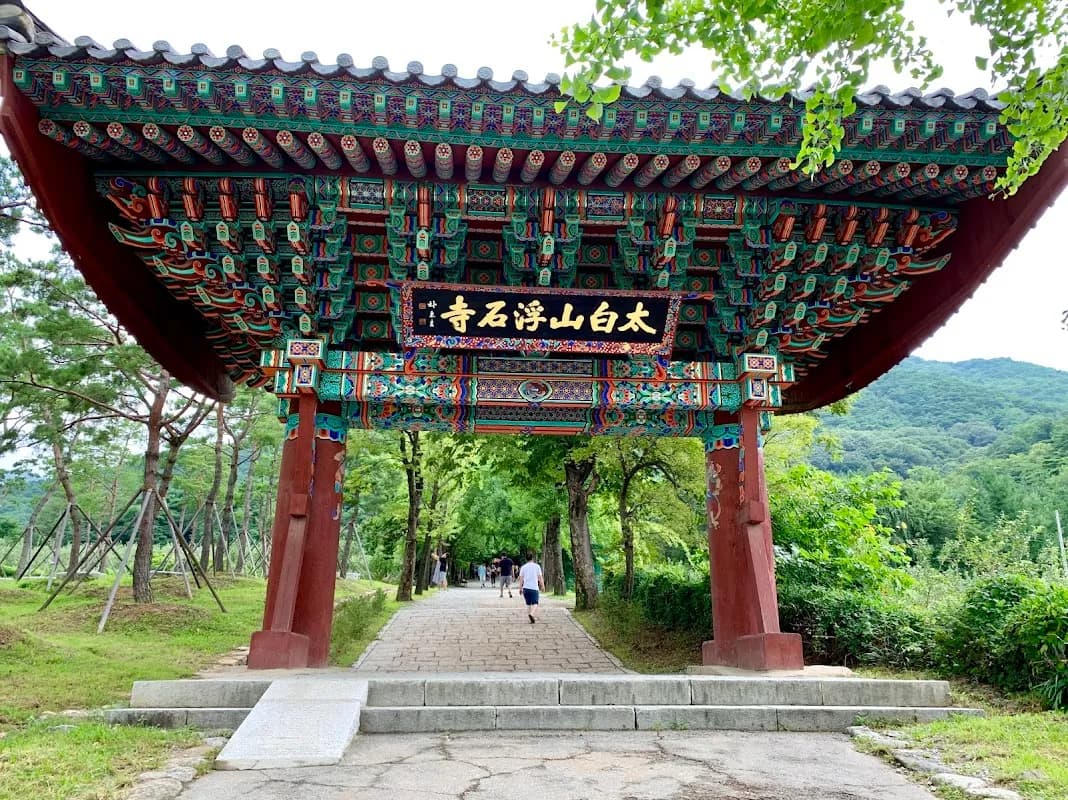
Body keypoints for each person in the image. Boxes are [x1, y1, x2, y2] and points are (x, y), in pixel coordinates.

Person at [518, 551, 544, 624]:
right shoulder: (537, 566)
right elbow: (540, 577)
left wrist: (520, 588)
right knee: (535, 603)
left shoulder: (523, 567)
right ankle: (532, 614)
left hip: (526, 588)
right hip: (534, 588)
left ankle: (530, 618)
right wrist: (542, 585)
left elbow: (521, 579)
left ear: (526, 559)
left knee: (528, 604)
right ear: (532, 558)